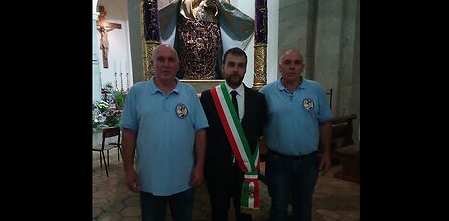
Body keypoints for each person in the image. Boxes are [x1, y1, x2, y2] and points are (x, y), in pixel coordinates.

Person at [120, 44, 208, 221]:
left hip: (184, 180)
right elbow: (128, 134)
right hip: (149, 179)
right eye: (160, 59)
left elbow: (200, 131)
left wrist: (199, 167)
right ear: (152, 63)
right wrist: (128, 170)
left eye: (171, 60)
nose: (166, 64)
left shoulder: (189, 93)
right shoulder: (137, 92)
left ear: (178, 64)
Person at [259, 49, 334, 221]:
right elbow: (257, 126)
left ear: (302, 67)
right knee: (278, 206)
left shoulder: (315, 90)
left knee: (303, 206)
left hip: (308, 162)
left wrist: (328, 153)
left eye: (296, 62)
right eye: (287, 62)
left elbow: (325, 122)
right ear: (280, 67)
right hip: (278, 161)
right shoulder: (266, 92)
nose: (292, 66)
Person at [159, 0, 255, 80]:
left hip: (210, 30)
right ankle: (190, 75)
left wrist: (209, 4)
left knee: (209, 52)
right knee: (191, 52)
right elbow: (187, 6)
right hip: (189, 31)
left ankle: (209, 74)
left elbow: (215, 10)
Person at [200, 47, 268, 221]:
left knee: (245, 215)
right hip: (217, 169)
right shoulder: (208, 98)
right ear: (223, 67)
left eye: (240, 65)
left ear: (245, 68)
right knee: (219, 213)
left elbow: (258, 129)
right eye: (231, 64)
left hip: (245, 170)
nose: (236, 69)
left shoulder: (258, 99)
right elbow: (203, 133)